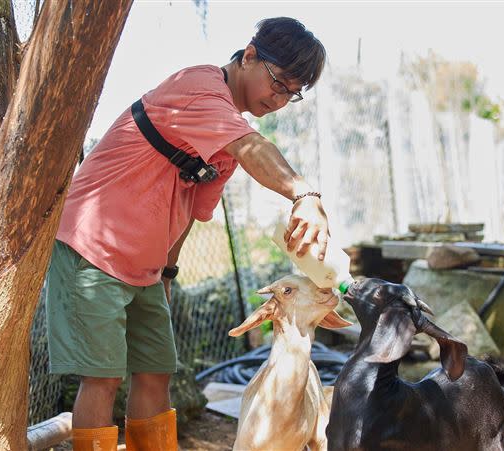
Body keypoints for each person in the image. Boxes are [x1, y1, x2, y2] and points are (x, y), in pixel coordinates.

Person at [46, 17, 330, 450]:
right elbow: (251, 147)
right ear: (249, 55)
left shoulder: (225, 145)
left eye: (292, 93)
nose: (280, 98)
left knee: (156, 371)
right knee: (102, 378)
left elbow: (188, 211)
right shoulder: (199, 87)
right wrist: (303, 194)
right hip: (92, 248)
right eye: (278, 82)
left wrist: (167, 274)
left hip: (145, 270)